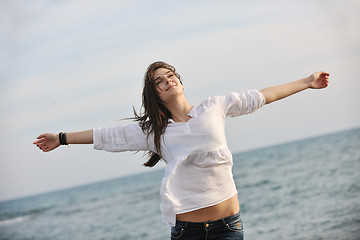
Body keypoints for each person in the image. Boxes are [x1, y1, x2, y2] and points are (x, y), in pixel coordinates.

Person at [33, 61, 330, 239]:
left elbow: (262, 96)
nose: (167, 81)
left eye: (170, 75)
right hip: (187, 231)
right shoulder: (153, 132)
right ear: (156, 94)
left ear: (181, 81)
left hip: (228, 226)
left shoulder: (215, 106)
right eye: (159, 81)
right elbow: (108, 136)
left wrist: (307, 82)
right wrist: (62, 137)